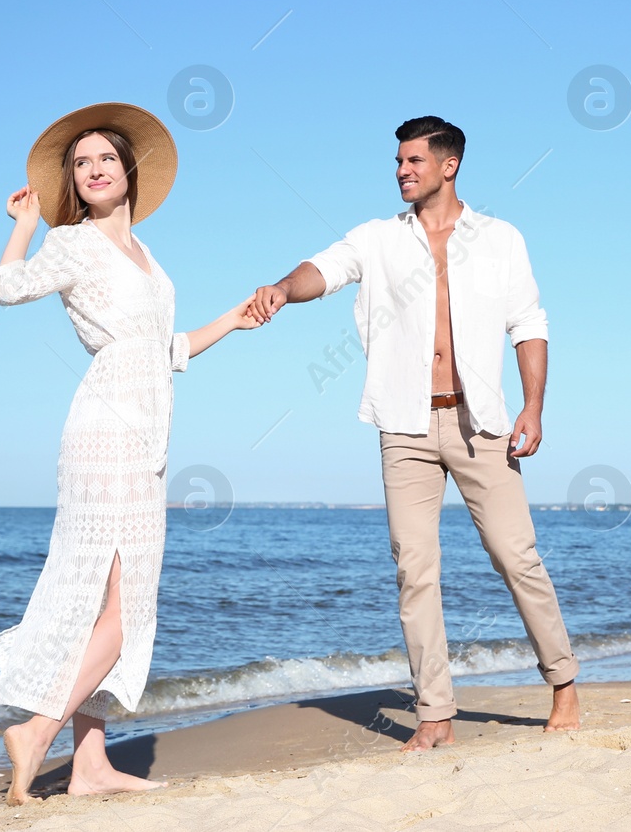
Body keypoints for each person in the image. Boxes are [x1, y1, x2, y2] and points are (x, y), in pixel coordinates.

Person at [248, 115, 580, 752]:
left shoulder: (500, 238)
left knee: (516, 555)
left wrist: (533, 407)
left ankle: (563, 682)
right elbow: (324, 268)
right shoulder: (377, 239)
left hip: (480, 420)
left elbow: (529, 323)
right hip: (403, 421)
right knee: (414, 568)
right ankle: (435, 713)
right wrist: (283, 291)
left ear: (448, 165)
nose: (402, 171)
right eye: (398, 162)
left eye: (414, 162)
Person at [0, 102, 258, 803]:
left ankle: (91, 765)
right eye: (81, 163)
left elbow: (163, 350)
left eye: (105, 157)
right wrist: (23, 227)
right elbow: (8, 287)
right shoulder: (72, 242)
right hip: (105, 427)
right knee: (118, 602)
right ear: (72, 182)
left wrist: (233, 317)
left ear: (128, 170)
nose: (95, 168)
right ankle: (38, 728)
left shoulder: (145, 256)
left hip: (149, 430)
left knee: (119, 594)